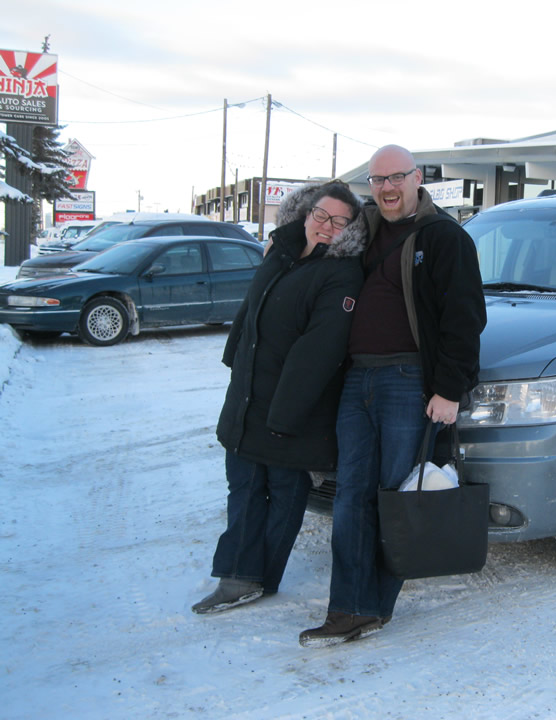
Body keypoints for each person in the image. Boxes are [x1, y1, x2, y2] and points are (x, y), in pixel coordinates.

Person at [299, 145, 486, 646]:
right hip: (357, 378)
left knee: (394, 497)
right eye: (378, 180)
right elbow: (314, 228)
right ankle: (348, 607)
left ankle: (374, 605)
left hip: (407, 380)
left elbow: (465, 317)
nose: (386, 188)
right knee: (351, 496)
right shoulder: (363, 231)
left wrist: (449, 389)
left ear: (416, 178)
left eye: (396, 178)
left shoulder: (444, 236)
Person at [192, 180, 367, 614]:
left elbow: (318, 351)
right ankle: (239, 575)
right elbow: (250, 312)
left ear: (350, 229)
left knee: (284, 494)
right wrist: (234, 358)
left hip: (293, 409)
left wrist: (284, 419)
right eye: (321, 215)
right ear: (306, 214)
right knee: (244, 487)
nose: (326, 226)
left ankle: (257, 577)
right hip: (249, 396)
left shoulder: (342, 274)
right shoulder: (281, 253)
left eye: (339, 221)